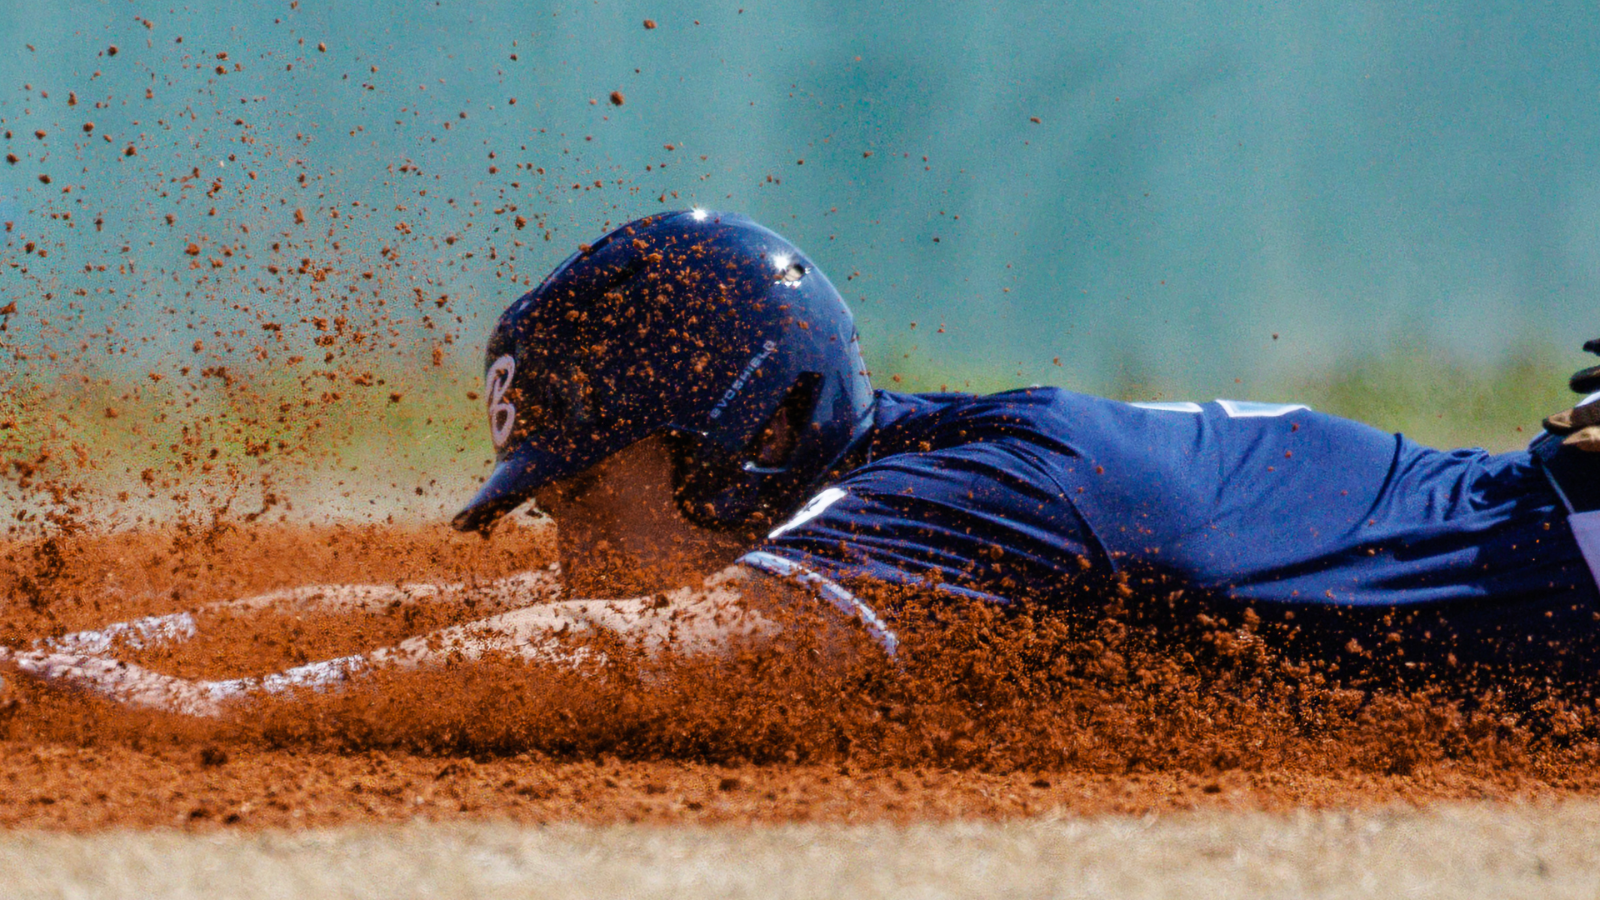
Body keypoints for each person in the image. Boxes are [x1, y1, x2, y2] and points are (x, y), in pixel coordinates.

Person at [6, 210, 1600, 715]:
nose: (561, 539)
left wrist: (207, 712)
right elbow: (469, 618)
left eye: (583, 480)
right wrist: (83, 656)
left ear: (746, 436)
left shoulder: (974, 498)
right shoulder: (912, 480)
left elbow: (629, 649)